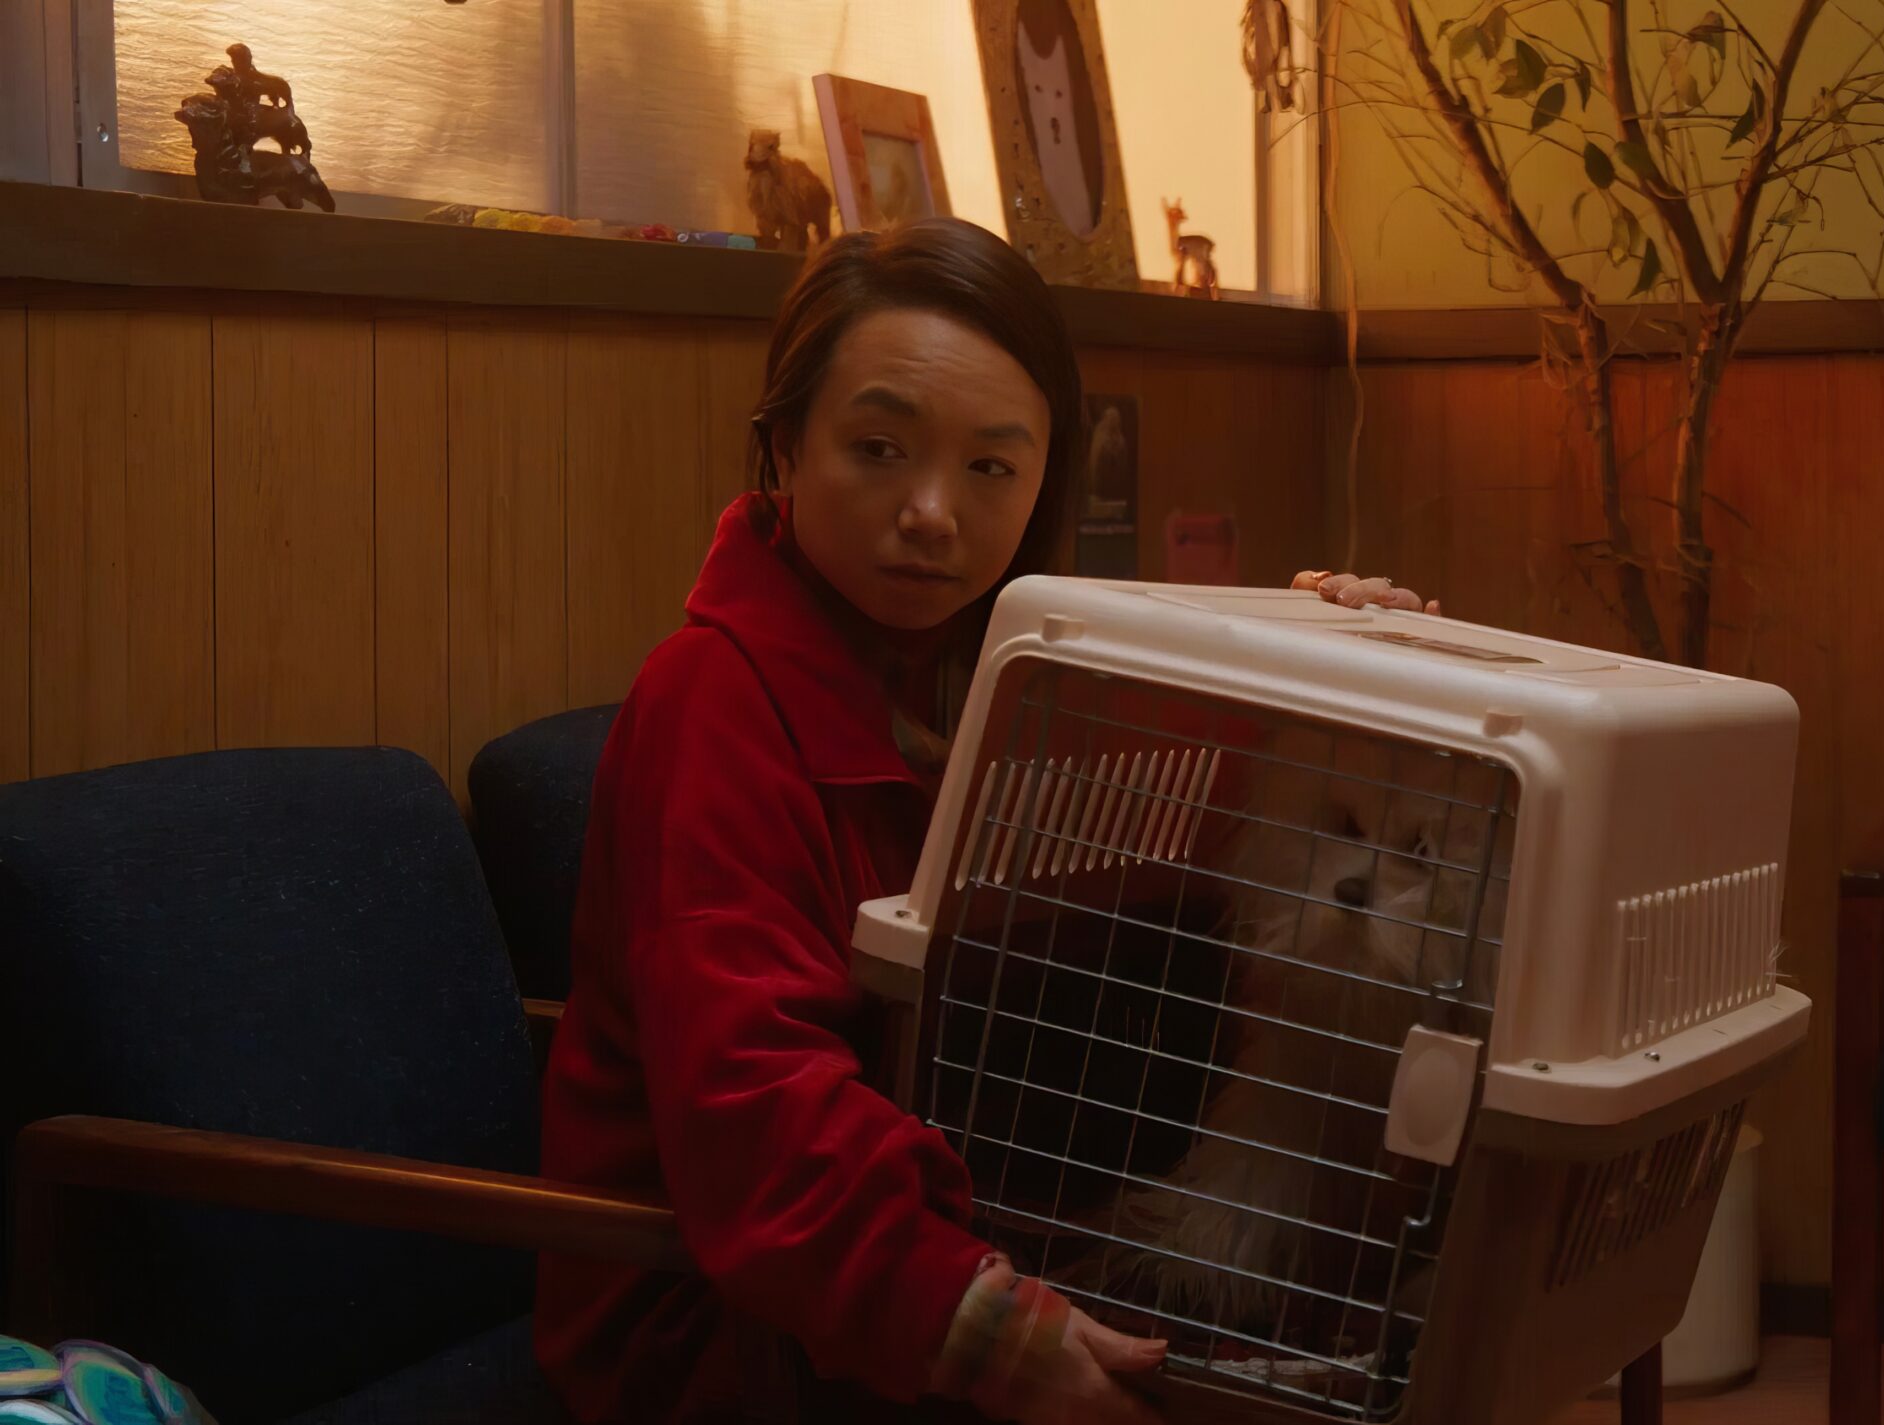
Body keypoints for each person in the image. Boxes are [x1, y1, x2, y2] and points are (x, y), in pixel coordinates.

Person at [533, 218, 1430, 1424]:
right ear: (784, 444)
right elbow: (755, 1107)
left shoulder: (1034, 675)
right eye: (879, 448)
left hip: (986, 1226)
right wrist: (990, 1331)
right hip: (735, 1320)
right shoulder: (709, 701)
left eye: (991, 468)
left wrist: (1349, 671)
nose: (931, 512)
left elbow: (1229, 873)